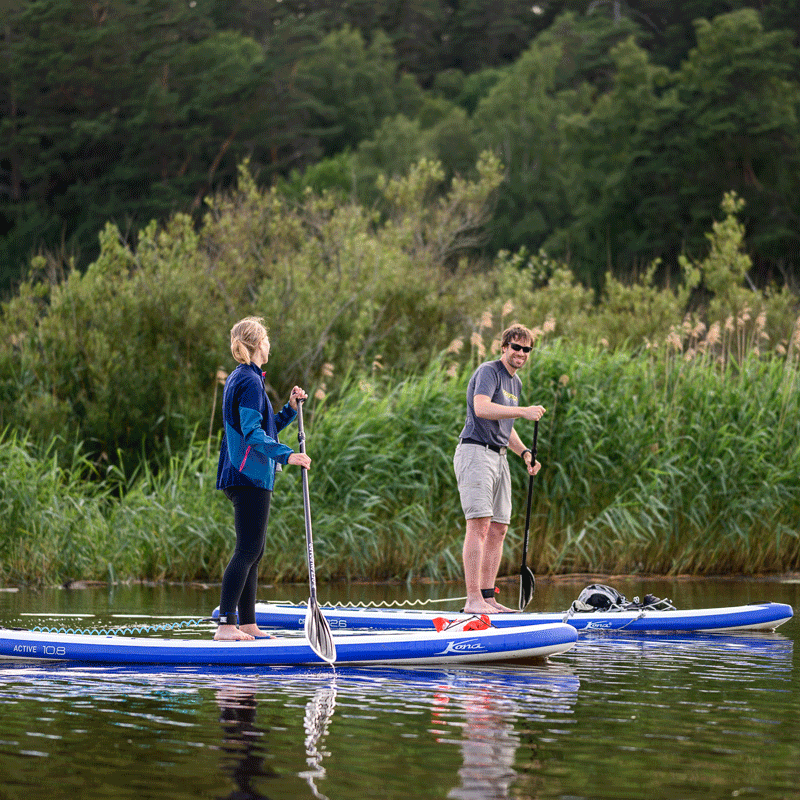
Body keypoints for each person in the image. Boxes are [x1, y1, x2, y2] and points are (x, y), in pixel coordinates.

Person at [215, 316, 311, 641]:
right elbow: (254, 435)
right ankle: (227, 625)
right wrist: (288, 455)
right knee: (247, 550)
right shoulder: (249, 381)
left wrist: (289, 409)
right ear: (257, 344)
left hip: (249, 474)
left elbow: (261, 427)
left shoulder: (245, 378)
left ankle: (248, 622)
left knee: (254, 551)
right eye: (267, 340)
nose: (270, 345)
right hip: (247, 475)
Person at [453, 324, 545, 614]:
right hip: (475, 451)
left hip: (501, 457)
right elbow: (482, 408)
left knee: (499, 528)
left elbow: (506, 427)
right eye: (515, 347)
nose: (520, 353)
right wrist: (522, 411)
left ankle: (487, 597)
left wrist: (525, 453)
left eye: (526, 349)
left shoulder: (515, 384)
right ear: (504, 347)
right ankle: (472, 601)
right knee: (478, 525)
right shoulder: (488, 371)